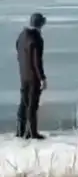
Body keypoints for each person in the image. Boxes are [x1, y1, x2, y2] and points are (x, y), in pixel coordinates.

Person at [16, 12, 47, 140]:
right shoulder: (36, 38)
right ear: (41, 24)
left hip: (23, 74)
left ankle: (20, 131)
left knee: (24, 103)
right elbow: (36, 61)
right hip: (33, 76)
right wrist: (42, 78)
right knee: (32, 105)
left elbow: (18, 53)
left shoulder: (22, 36)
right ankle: (32, 133)